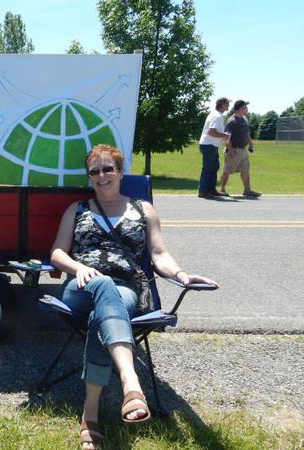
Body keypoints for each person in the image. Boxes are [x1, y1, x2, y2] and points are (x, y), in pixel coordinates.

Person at [50, 144, 217, 450]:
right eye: (94, 171)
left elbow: (158, 253)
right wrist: (79, 268)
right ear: (89, 177)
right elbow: (57, 253)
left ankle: (91, 415)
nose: (102, 175)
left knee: (102, 308)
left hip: (127, 290)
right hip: (81, 287)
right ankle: (130, 381)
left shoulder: (143, 209)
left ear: (121, 171)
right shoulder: (77, 209)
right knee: (102, 286)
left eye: (108, 168)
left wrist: (180, 275)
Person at [219, 100, 261, 198]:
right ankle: (222, 189)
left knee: (245, 170)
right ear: (241, 108)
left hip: (243, 150)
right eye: (245, 107)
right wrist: (230, 149)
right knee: (227, 171)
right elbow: (227, 137)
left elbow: (247, 133)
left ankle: (247, 190)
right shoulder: (231, 121)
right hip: (234, 150)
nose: (246, 109)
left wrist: (250, 144)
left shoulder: (245, 119)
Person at [197, 97, 231, 198]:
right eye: (227, 104)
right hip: (209, 145)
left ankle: (211, 189)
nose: (228, 106)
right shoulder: (217, 116)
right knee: (208, 168)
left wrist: (222, 135)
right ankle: (203, 190)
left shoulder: (215, 115)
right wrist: (224, 136)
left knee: (214, 167)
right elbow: (211, 132)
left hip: (210, 145)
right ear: (223, 104)